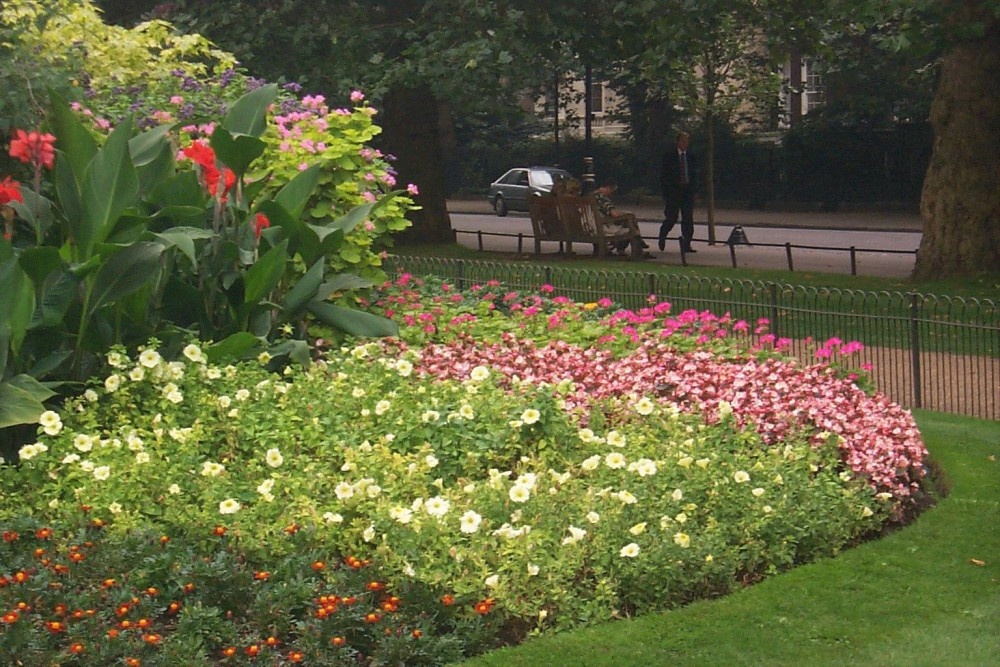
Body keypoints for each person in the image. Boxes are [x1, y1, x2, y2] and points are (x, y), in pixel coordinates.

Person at [593, 179, 650, 259]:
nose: (611, 193)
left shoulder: (590, 196)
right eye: (612, 191)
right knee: (630, 220)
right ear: (608, 188)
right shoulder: (601, 197)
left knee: (627, 221)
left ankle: (625, 248)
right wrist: (626, 214)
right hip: (602, 228)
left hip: (591, 227)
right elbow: (614, 213)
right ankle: (636, 247)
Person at [659, 131, 696, 253]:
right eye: (683, 141)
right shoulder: (669, 156)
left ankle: (687, 244)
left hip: (687, 191)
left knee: (688, 218)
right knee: (672, 217)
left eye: (687, 142)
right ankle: (663, 234)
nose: (685, 144)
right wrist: (666, 193)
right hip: (673, 192)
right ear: (677, 142)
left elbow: (694, 174)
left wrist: (694, 190)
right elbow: (664, 176)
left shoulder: (691, 156)